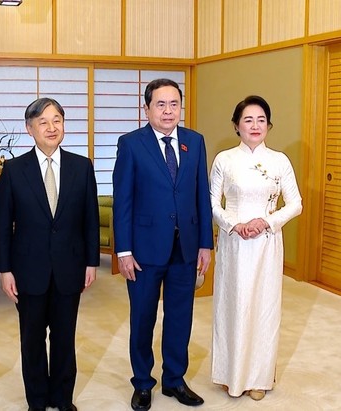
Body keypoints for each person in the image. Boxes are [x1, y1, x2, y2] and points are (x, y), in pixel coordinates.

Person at [112, 78, 214, 411]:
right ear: (147, 108)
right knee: (142, 318)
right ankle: (142, 382)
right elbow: (122, 201)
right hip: (143, 251)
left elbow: (202, 196)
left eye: (174, 104)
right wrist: (123, 251)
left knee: (180, 317)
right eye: (161, 104)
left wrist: (205, 243)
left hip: (185, 248)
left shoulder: (195, 142)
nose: (168, 111)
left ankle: (174, 379)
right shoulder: (131, 144)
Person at [0, 97, 99, 411]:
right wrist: (5, 270)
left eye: (57, 120)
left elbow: (90, 219)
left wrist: (92, 261)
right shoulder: (13, 170)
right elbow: (2, 225)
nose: (51, 127)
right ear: (30, 129)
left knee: (65, 337)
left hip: (70, 266)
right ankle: (37, 401)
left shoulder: (82, 167)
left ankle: (63, 398)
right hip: (28, 270)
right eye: (43, 122)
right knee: (32, 340)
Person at [209, 95, 302, 400]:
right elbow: (211, 202)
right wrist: (232, 224)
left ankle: (259, 377)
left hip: (265, 243)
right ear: (236, 125)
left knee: (263, 307)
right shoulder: (224, 159)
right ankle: (230, 373)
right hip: (234, 242)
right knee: (232, 304)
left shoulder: (279, 161)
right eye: (248, 120)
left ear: (269, 125)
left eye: (261, 120)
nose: (255, 125)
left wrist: (267, 222)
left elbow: (295, 203)